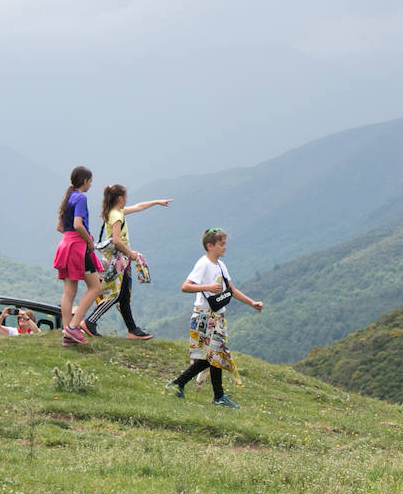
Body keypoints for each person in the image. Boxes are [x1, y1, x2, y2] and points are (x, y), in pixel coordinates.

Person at [170, 228, 263, 408]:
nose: (225, 248)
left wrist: (252, 303)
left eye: (225, 244)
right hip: (204, 316)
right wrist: (208, 287)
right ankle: (216, 396)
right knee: (214, 356)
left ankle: (181, 383)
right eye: (221, 244)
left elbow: (231, 290)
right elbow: (185, 286)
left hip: (217, 316)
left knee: (212, 357)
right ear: (210, 246)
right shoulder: (203, 264)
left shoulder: (221, 266)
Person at [85, 185, 172, 339]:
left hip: (121, 260)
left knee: (124, 296)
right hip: (120, 260)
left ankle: (132, 330)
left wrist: (157, 202)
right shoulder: (117, 216)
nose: (127, 199)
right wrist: (131, 253)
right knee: (116, 295)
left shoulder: (115, 212)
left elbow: (139, 207)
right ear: (120, 198)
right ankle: (90, 321)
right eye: (125, 197)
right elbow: (117, 240)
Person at [52, 166, 103, 345]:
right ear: (85, 181)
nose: (91, 184)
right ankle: (74, 327)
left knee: (69, 291)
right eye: (90, 181)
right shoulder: (81, 197)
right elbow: (78, 224)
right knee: (95, 287)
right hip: (78, 247)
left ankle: (68, 333)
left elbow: (60, 227)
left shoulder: (68, 198)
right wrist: (89, 242)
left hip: (65, 245)